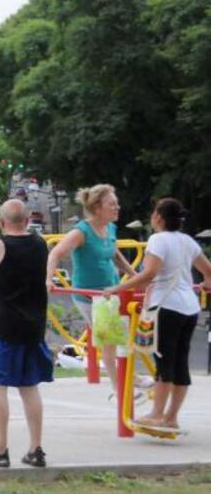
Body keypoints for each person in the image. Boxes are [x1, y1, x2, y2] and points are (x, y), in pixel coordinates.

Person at [103, 198, 211, 431]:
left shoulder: (158, 240)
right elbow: (208, 271)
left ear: (159, 218)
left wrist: (117, 288)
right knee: (181, 362)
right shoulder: (187, 241)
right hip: (190, 308)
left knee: (164, 361)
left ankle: (156, 414)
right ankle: (171, 416)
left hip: (167, 306)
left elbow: (149, 274)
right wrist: (206, 283)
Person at [0, 199, 52, 468]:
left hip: (3, 327)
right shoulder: (41, 245)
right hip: (33, 327)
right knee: (30, 388)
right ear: (27, 221)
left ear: (1, 222)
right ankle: (36, 448)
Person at [46, 184, 137, 398]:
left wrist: (135, 275)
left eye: (117, 203)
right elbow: (55, 254)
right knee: (109, 341)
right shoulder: (81, 231)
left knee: (118, 337)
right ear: (97, 208)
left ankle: (128, 381)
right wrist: (49, 279)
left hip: (110, 292)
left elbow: (115, 255)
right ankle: (121, 388)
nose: (117, 208)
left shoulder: (110, 228)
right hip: (91, 297)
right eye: (111, 204)